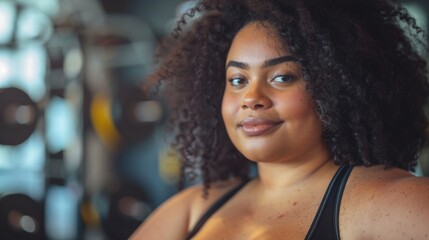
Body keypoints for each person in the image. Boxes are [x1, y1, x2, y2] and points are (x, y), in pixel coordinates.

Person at [130, 0, 429, 239]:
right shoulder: (194, 208)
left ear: (334, 87)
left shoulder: (388, 202)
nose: (251, 97)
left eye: (282, 77)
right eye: (237, 80)